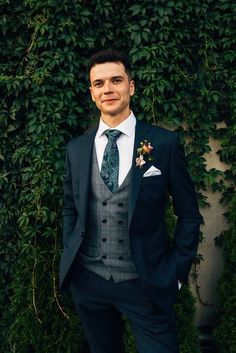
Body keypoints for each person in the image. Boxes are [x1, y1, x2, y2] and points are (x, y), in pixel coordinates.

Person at [59, 49, 203, 353]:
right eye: (99, 84)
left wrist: (175, 272)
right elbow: (71, 208)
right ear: (92, 93)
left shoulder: (163, 144)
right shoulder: (76, 149)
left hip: (145, 283)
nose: (108, 89)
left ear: (131, 86)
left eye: (116, 80)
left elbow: (188, 214)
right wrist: (72, 260)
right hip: (89, 282)